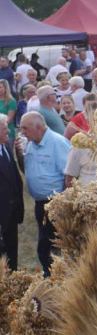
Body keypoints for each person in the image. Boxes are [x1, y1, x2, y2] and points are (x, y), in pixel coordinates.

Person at [19, 112, 71, 275]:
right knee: (45, 240)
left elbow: (69, 174)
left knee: (51, 242)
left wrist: (63, 201)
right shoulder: (30, 143)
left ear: (39, 127)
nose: (23, 133)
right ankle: (51, 273)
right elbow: (26, 169)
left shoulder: (58, 142)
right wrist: (20, 154)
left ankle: (56, 274)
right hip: (40, 203)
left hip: (55, 201)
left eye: (25, 128)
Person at [0, 115, 23, 270]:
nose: (8, 131)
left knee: (11, 251)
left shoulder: (5, 146)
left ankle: (13, 281)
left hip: (11, 212)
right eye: (4, 129)